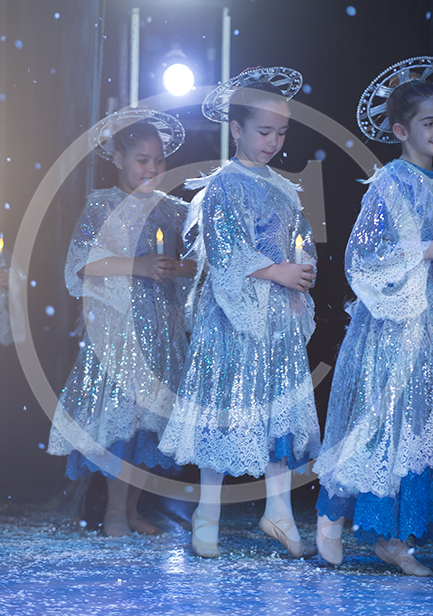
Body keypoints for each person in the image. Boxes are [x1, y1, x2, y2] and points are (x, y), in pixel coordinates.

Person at [159, 67, 320, 558]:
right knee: (224, 408)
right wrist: (278, 271)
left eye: (281, 132)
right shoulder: (225, 184)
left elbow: (300, 237)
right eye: (264, 131)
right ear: (237, 128)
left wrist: (302, 269)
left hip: (278, 317)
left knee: (276, 412)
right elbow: (224, 250)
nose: (273, 142)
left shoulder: (284, 187)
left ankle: (279, 511)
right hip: (233, 316)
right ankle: (207, 512)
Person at [48, 112, 195, 536]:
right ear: (118, 159)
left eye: (159, 160)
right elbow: (82, 262)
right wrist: (139, 265)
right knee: (121, 420)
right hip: (120, 332)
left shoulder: (171, 210)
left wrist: (176, 267)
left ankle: (131, 509)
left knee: (148, 425)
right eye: (142, 160)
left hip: (161, 332)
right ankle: (114, 509)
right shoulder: (104, 206)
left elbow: (197, 263)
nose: (152, 168)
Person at [314, 57, 433, 576]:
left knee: (417, 426)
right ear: (402, 131)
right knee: (379, 421)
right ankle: (332, 515)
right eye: (430, 122)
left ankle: (394, 537)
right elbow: (361, 257)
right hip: (392, 324)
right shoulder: (392, 182)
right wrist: (422, 251)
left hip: (427, 325)